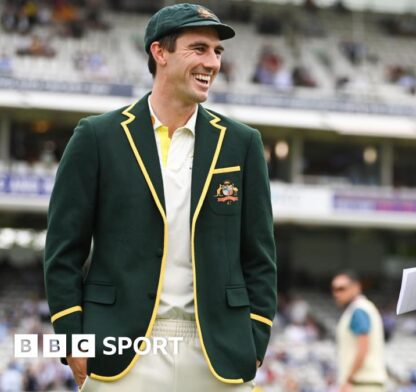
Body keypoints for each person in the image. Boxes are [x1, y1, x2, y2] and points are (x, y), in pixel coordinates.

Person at [43, 4, 277, 391]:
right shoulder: (97, 136)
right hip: (120, 351)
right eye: (199, 48)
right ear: (160, 52)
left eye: (217, 52)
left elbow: (260, 256)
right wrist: (72, 339)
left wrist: (256, 339)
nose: (212, 63)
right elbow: (62, 249)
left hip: (219, 352)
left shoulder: (242, 143)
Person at [332, 271, 387, 392]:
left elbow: (363, 347)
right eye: (334, 289)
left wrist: (349, 379)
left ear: (356, 287)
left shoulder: (358, 310)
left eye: (341, 288)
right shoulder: (361, 308)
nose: (336, 293)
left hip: (362, 384)